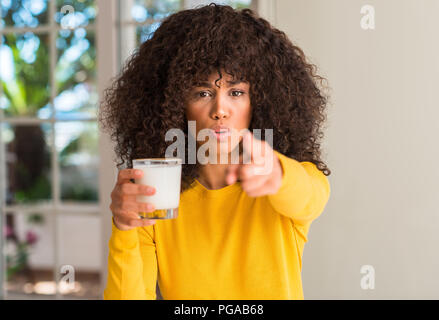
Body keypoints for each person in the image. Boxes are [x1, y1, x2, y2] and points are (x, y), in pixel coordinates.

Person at [98, 3, 331, 300]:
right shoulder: (157, 198)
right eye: (203, 93)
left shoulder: (286, 185)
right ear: (174, 105)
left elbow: (309, 198)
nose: (220, 110)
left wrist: (277, 173)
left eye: (236, 92)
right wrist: (124, 227)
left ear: (259, 102)